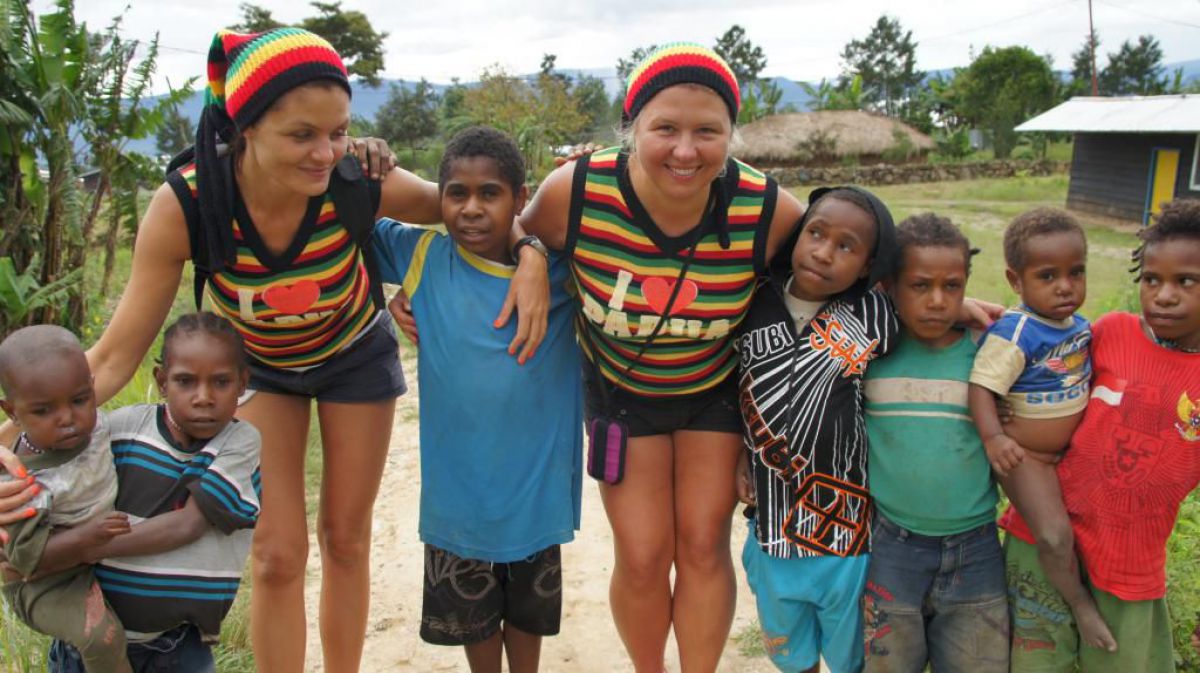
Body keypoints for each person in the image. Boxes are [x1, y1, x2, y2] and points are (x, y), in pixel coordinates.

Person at [0, 27, 548, 673]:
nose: (325, 153)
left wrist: (530, 252)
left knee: (345, 540)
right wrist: (6, 443)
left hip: (354, 356)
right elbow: (114, 357)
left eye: (339, 131)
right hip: (262, 370)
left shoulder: (355, 179)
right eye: (302, 134)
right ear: (246, 128)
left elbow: (470, 208)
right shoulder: (189, 204)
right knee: (276, 555)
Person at [506, 43, 806, 672]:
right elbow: (511, 232)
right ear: (632, 128)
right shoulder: (578, 191)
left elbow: (843, 262)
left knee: (701, 545)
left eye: (707, 131)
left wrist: (949, 305)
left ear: (732, 135)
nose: (685, 151)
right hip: (620, 395)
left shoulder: (766, 209)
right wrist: (529, 254)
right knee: (643, 555)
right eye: (665, 128)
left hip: (713, 392)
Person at [373, 125, 582, 673]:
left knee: (529, 609)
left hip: (535, 487)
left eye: (489, 193)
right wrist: (362, 149)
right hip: (458, 493)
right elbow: (352, 203)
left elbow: (600, 205)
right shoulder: (421, 256)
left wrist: (579, 171)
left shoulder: (560, 272)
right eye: (456, 194)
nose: (470, 208)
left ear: (519, 198)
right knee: (472, 617)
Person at [1002, 197, 1200, 672]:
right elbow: (1033, 338)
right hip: (1045, 537)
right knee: (1033, 661)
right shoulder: (1112, 332)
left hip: (1128, 562)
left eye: (1186, 281)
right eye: (1151, 280)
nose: (1164, 296)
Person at [736, 186, 899, 673]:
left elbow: (928, 311)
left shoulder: (874, 314)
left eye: (846, 246)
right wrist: (738, 454)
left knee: (851, 659)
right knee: (792, 656)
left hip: (847, 538)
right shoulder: (752, 299)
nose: (824, 253)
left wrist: (964, 309)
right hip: (771, 530)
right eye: (816, 234)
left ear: (868, 266)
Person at [45, 312, 260, 672]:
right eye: (185, 381)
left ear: (243, 383)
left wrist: (81, 548)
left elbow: (188, 525)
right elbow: (55, 477)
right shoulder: (121, 429)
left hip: (177, 647)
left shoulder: (239, 442)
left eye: (221, 382)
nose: (203, 397)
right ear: (162, 381)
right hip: (87, 644)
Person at [860, 214, 1008, 672]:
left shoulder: (988, 354)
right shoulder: (869, 352)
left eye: (953, 287)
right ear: (890, 286)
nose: (938, 301)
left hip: (977, 549)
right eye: (920, 286)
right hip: (891, 547)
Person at [966, 209, 1115, 652]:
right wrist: (995, 437)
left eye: (1076, 272)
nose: (1065, 286)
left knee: (1087, 531)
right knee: (1053, 534)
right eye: (1047, 276)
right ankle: (1080, 606)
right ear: (1016, 281)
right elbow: (981, 386)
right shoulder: (1018, 333)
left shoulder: (1080, 327)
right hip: (1025, 456)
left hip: (1068, 455)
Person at [0, 325, 131, 673]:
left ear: (91, 387)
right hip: (45, 584)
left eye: (78, 400)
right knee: (102, 638)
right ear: (12, 412)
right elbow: (26, 560)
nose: (68, 419)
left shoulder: (97, 427)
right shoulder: (21, 483)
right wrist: (87, 538)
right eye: (43, 411)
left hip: (97, 550)